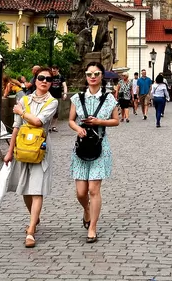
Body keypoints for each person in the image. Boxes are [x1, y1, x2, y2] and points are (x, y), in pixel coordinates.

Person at [3, 67, 58, 248]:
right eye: (41, 78)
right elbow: (16, 127)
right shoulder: (24, 99)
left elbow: (38, 121)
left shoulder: (52, 102)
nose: (44, 81)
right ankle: (35, 217)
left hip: (40, 149)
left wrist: (21, 112)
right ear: (35, 80)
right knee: (25, 190)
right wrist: (9, 152)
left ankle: (31, 230)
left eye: (48, 79)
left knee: (37, 189)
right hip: (23, 148)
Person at [69, 62, 119, 243]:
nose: (92, 77)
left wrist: (99, 122)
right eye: (89, 74)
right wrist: (78, 128)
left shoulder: (109, 98)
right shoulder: (77, 98)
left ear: (101, 76)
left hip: (99, 146)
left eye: (96, 73)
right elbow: (71, 120)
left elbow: (116, 120)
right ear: (85, 76)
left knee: (93, 189)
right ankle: (87, 210)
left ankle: (92, 228)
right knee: (81, 192)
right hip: (82, 146)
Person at [49, 66, 66, 132]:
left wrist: (65, 93)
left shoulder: (61, 77)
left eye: (55, 71)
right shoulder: (50, 76)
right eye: (52, 71)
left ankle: (54, 126)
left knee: (57, 112)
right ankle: (49, 126)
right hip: (50, 96)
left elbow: (64, 85)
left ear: (58, 70)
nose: (53, 72)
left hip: (58, 96)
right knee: (50, 111)